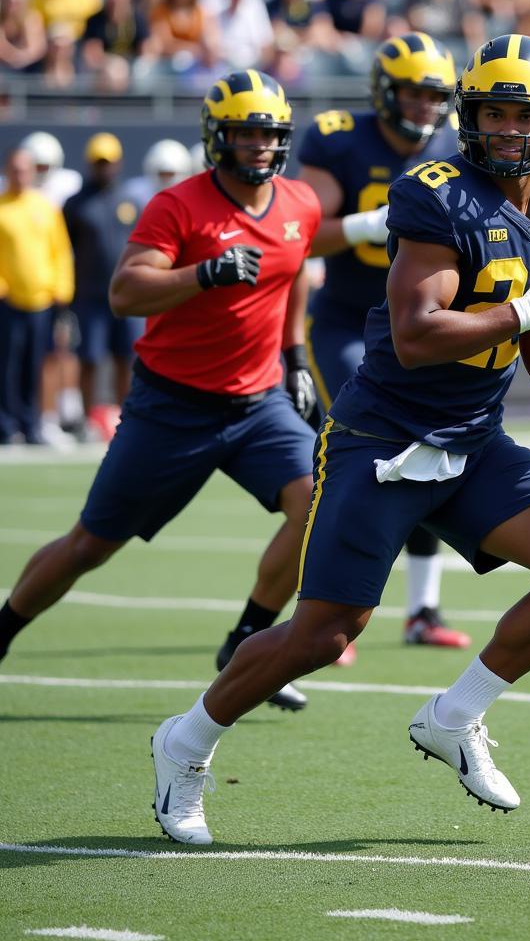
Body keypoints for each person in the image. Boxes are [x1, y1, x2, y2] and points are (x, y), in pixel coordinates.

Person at [149, 33, 530, 845]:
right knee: (325, 633)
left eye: (523, 115)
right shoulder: (437, 195)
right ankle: (185, 743)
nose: (507, 130)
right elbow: (415, 333)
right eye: (492, 113)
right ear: (469, 115)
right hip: (385, 436)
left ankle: (455, 716)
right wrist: (523, 315)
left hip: (475, 434)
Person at [0, 70, 320, 718]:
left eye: (272, 134)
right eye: (248, 132)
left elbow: (291, 282)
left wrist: (295, 360)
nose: (261, 145)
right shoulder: (178, 206)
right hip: (174, 405)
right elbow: (124, 293)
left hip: (260, 402)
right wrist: (204, 273)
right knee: (91, 544)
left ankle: (248, 639)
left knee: (319, 501)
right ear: (218, 137)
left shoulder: (299, 203)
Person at [296, 31, 470, 656]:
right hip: (349, 320)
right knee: (352, 455)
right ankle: (318, 610)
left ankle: (422, 609)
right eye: (414, 92)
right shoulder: (341, 136)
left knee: (430, 447)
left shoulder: (459, 145)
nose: (426, 105)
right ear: (384, 90)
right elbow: (302, 235)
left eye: (436, 94)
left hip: (421, 326)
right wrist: (365, 225)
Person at [62, 132, 144, 437]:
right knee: (90, 359)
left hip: (126, 296)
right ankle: (86, 420)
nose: (104, 168)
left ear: (119, 162)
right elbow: (66, 247)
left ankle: (124, 420)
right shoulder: (75, 204)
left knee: (126, 358)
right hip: (90, 297)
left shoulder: (130, 200)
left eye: (108, 162)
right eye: (98, 163)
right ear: (90, 164)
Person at [0, 146, 74, 445]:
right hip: (9, 300)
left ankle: (31, 424)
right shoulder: (2, 207)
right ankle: (6, 425)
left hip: (42, 301)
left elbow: (60, 252)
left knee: (37, 365)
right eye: (15, 169)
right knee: (7, 365)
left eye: (24, 169)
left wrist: (62, 287)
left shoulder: (45, 208)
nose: (20, 175)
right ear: (7, 172)